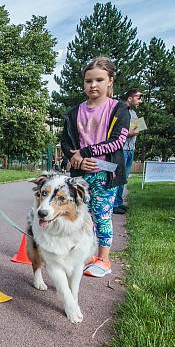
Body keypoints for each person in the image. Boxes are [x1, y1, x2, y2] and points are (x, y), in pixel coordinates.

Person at [60, 56, 131, 278]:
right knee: (82, 217)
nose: (93, 85)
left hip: (105, 174)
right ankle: (87, 255)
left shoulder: (119, 109)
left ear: (110, 80)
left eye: (99, 80)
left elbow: (118, 141)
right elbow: (66, 142)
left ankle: (104, 259)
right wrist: (75, 157)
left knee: (102, 215)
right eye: (88, 81)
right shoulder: (74, 112)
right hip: (81, 174)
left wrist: (87, 152)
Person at [112, 89, 143, 214]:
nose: (140, 100)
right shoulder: (120, 110)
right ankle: (114, 204)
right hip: (122, 149)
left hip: (131, 149)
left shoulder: (134, 113)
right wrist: (131, 131)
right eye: (139, 97)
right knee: (118, 176)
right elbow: (120, 131)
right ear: (130, 98)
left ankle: (118, 202)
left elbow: (138, 128)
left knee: (124, 177)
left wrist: (133, 131)